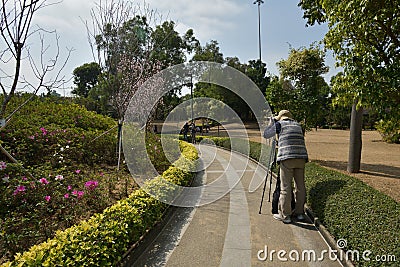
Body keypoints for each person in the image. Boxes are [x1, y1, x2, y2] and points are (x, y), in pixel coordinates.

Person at [263, 110, 308, 223]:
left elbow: (266, 134)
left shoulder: (279, 124)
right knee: (300, 187)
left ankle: (285, 215)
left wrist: (271, 122)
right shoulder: (298, 125)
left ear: (280, 117)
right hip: (301, 157)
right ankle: (300, 213)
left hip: (287, 157)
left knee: (285, 187)